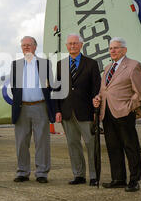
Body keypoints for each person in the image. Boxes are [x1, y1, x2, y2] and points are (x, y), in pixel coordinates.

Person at [93, 37, 141, 192]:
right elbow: (104, 90)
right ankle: (118, 178)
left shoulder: (133, 65)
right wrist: (98, 99)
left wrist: (128, 108)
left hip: (124, 113)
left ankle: (134, 180)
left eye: (116, 48)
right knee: (113, 147)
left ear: (124, 50)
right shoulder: (107, 68)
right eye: (110, 48)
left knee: (131, 147)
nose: (112, 51)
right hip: (107, 113)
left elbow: (138, 92)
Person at [55, 34, 101, 186]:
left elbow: (96, 88)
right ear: (66, 46)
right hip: (67, 111)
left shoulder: (92, 64)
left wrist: (96, 112)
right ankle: (79, 175)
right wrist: (57, 110)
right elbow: (58, 89)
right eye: (69, 44)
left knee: (91, 144)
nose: (72, 46)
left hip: (86, 111)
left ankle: (94, 175)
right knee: (73, 144)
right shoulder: (61, 65)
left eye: (75, 43)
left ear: (81, 45)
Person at [10, 36, 55, 183]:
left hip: (40, 106)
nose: (26, 47)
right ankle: (22, 172)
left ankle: (42, 172)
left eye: (29, 45)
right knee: (21, 142)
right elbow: (14, 87)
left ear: (35, 47)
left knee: (42, 141)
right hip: (22, 108)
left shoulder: (45, 64)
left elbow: (51, 86)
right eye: (23, 45)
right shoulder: (15, 65)